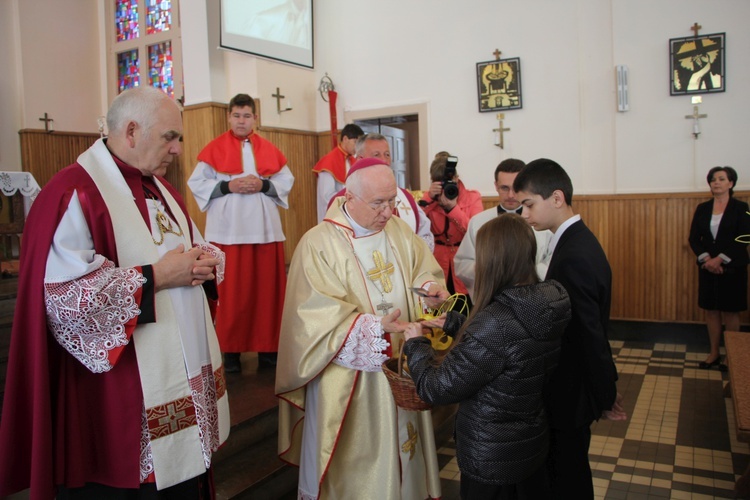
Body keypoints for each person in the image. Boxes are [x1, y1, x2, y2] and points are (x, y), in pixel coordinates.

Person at [0, 86, 230, 499]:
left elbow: (192, 247)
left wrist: (205, 260)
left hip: (179, 372)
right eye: (169, 137)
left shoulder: (161, 190)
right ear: (130, 131)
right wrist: (157, 277)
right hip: (119, 398)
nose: (178, 149)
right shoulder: (77, 192)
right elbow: (68, 302)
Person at [276, 158, 449, 499]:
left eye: (392, 201)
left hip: (402, 367)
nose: (388, 212)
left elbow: (421, 272)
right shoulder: (318, 243)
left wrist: (429, 291)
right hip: (349, 381)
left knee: (405, 454)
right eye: (378, 203)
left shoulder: (398, 229)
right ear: (349, 198)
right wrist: (372, 329)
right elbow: (310, 318)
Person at [403, 214, 571, 499]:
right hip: (529, 441)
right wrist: (456, 323)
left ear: (493, 260)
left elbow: (437, 388)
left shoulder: (495, 323)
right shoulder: (551, 299)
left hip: (491, 453)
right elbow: (512, 343)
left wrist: (415, 344)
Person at [513, 158, 627, 499]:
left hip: (571, 387)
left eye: (529, 204)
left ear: (557, 198)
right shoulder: (573, 240)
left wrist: (604, 393)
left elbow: (588, 333)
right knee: (565, 469)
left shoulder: (575, 252)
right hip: (572, 385)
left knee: (569, 474)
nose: (525, 214)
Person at [188, 93, 294, 372]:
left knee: (266, 293)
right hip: (228, 231)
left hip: (264, 230)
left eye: (247, 115)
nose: (241, 121)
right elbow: (196, 182)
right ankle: (230, 351)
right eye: (236, 115)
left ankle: (269, 349)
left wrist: (263, 186)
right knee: (231, 293)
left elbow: (285, 179)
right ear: (229, 117)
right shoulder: (214, 149)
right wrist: (227, 187)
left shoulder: (268, 148)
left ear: (255, 119)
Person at [454, 158, 552, 298]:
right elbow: (462, 265)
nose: (511, 195)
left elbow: (551, 261)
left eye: (516, 187)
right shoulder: (478, 222)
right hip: (491, 302)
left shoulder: (541, 222)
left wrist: (524, 275)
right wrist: (488, 269)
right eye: (504, 188)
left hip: (532, 299)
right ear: (496, 185)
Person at [328, 133, 435, 251]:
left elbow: (425, 235)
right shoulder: (344, 199)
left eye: (387, 154)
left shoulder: (405, 197)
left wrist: (412, 257)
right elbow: (334, 242)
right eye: (376, 155)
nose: (384, 160)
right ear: (359, 159)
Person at [688, 166, 750, 370]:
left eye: (721, 179)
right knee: (712, 310)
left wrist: (721, 259)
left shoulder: (741, 208)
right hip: (708, 267)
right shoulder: (703, 208)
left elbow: (745, 236)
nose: (716, 182)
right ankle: (714, 352)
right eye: (713, 179)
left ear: (730, 183)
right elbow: (694, 238)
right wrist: (707, 259)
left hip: (733, 267)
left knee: (731, 311)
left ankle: (732, 355)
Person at [420, 154, 484, 295]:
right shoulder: (430, 199)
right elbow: (416, 223)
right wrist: (429, 198)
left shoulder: (472, 197)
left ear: (456, 178)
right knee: (440, 301)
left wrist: (453, 209)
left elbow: (476, 231)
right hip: (437, 260)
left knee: (464, 304)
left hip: (464, 258)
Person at [312, 123, 363, 222]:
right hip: (335, 214)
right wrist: (350, 201)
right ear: (345, 139)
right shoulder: (329, 162)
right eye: (355, 142)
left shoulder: (352, 160)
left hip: (351, 212)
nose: (357, 147)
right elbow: (326, 196)